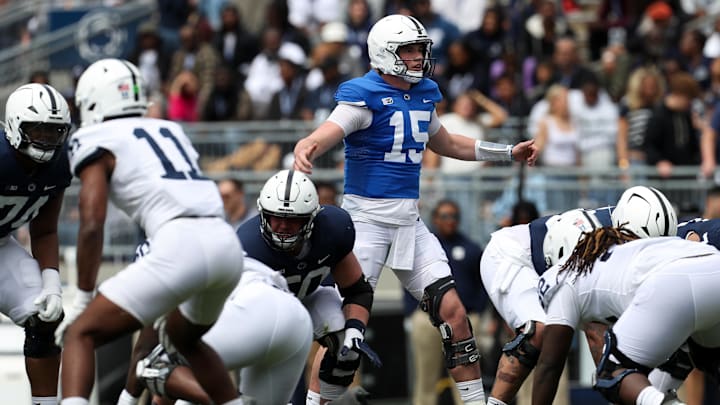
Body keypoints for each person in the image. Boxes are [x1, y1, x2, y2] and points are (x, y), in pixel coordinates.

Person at [293, 14, 538, 404]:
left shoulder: (424, 92)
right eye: (408, 49)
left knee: (455, 315)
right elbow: (333, 128)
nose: (417, 57)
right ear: (383, 52)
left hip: (409, 222)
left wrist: (506, 152)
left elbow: (445, 142)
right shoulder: (364, 93)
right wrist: (309, 143)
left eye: (419, 49)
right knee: (342, 333)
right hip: (366, 224)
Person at [54, 58, 245, 405]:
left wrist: (83, 296)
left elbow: (92, 221)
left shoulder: (94, 135)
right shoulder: (168, 128)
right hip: (224, 243)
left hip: (178, 243)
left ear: (94, 100)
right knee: (185, 340)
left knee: (79, 333)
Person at [480, 185, 678, 405]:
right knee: (538, 332)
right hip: (513, 255)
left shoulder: (637, 229)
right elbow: (592, 331)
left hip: (553, 270)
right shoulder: (592, 241)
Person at [533, 224, 720, 405]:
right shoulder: (627, 253)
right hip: (711, 264)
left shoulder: (564, 277)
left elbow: (550, 364)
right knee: (700, 358)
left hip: (672, 284)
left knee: (609, 374)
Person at [124, 257, 313, 405]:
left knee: (152, 366)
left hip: (259, 307)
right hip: (296, 319)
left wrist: (127, 400)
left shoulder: (176, 265)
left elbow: (145, 354)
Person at [0, 83, 72, 405]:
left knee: (45, 317)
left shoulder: (60, 164)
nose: (47, 140)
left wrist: (52, 283)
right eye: (38, 131)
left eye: (55, 132)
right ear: (15, 125)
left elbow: (44, 231)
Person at [405, 200, 488, 405]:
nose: (450, 221)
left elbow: (483, 282)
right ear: (434, 219)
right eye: (445, 216)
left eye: (454, 216)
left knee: (466, 378)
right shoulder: (424, 246)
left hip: (464, 319)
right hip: (427, 319)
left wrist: (477, 311)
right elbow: (406, 278)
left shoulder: (471, 248)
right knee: (426, 377)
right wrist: (411, 313)